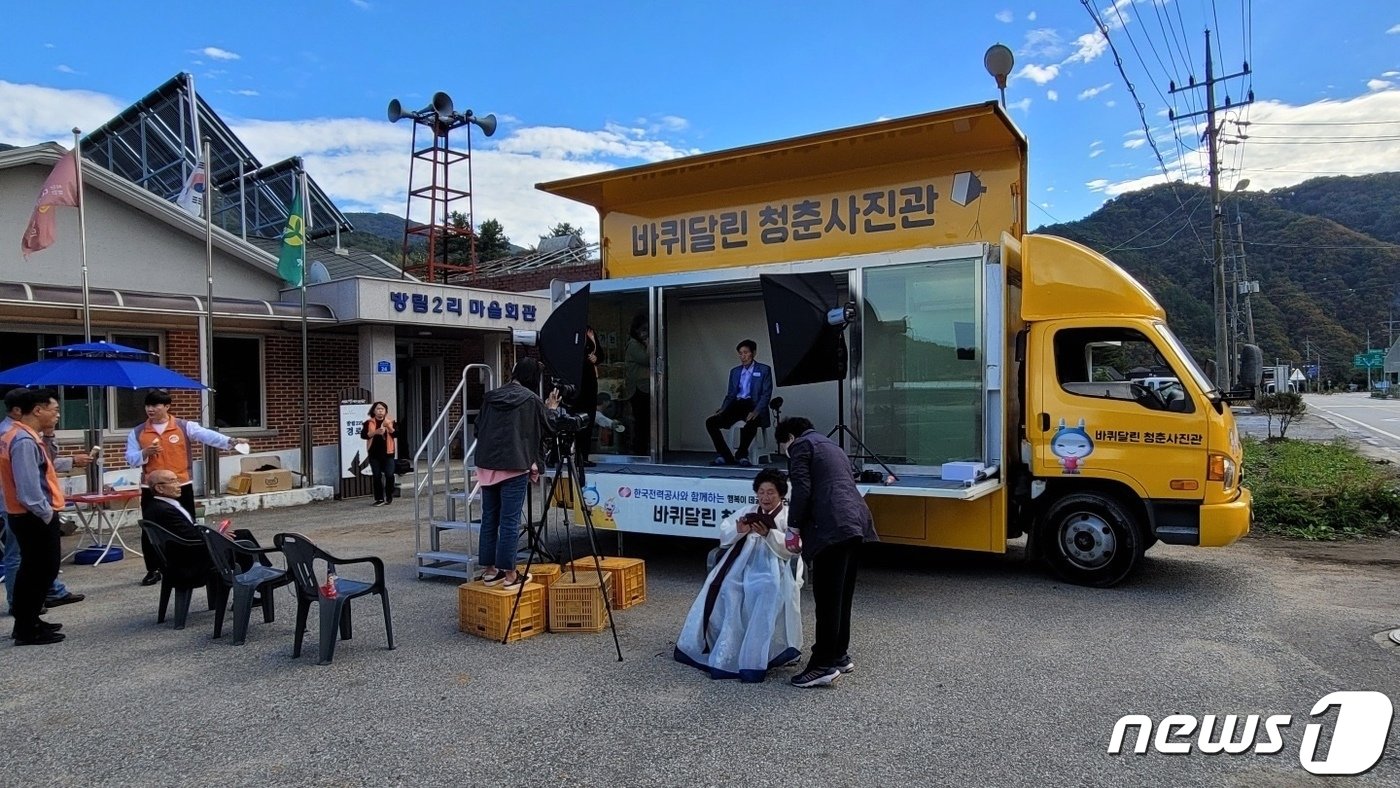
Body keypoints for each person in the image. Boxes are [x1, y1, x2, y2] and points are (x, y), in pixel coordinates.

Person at [775, 416, 877, 688]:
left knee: (827, 597)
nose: (785, 451)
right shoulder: (831, 445)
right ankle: (840, 655)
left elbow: (803, 489)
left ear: (789, 437)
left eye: (782, 445)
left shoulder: (801, 447)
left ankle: (822, 665)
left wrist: (793, 527)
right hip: (855, 522)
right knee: (842, 595)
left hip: (830, 527)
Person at [674, 468, 803, 682]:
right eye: (761, 492)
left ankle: (755, 658)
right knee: (728, 588)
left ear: (780, 494)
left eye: (770, 492)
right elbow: (725, 535)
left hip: (773, 567)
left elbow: (794, 547)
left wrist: (768, 534)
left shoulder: (788, 516)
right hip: (740, 564)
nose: (765, 497)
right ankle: (728, 649)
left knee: (765, 590)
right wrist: (740, 530)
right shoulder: (748, 509)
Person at [126, 388, 247, 586]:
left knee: (186, 525)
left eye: (155, 405)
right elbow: (130, 459)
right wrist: (145, 452)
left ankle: (188, 562)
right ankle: (153, 569)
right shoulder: (138, 431)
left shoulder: (183, 426)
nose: (151, 409)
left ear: (167, 406)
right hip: (152, 487)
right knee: (151, 529)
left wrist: (230, 442)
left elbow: (207, 436)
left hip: (181, 484)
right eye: (148, 405)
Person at [472, 358, 560, 590]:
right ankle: (511, 575)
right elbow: (549, 428)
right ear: (534, 378)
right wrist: (551, 409)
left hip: (487, 466)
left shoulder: (491, 397)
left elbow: (477, 428)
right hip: (515, 465)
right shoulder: (531, 400)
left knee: (489, 519)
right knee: (509, 521)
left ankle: (490, 572)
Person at [1, 389, 86, 616]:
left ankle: (42, 599)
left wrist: (48, 435)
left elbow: (44, 463)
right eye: (54, 410)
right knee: (23, 561)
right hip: (27, 510)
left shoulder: (26, 434)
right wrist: (47, 514)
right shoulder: (18, 437)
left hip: (28, 508)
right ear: (30, 410)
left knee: (39, 565)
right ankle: (22, 609)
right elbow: (28, 483)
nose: (57, 415)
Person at [143, 469, 262, 574]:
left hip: (188, 553)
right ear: (159, 488)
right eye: (173, 481)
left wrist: (216, 534)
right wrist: (216, 537)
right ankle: (263, 579)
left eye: (178, 480)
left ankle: (257, 581)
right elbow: (189, 536)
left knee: (240, 535)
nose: (178, 485)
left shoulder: (160, 506)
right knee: (243, 540)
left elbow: (188, 532)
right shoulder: (163, 509)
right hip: (192, 560)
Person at [705, 339, 773, 467]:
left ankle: (742, 455)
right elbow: (731, 394)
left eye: (746, 353)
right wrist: (723, 408)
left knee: (752, 422)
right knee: (711, 422)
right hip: (737, 404)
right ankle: (725, 455)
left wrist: (756, 411)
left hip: (753, 405)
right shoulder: (735, 371)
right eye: (740, 353)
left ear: (753, 353)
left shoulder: (764, 370)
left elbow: (766, 394)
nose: (743, 356)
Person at [623, 314, 650, 455]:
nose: (644, 333)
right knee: (641, 421)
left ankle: (642, 448)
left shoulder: (637, 343)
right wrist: (648, 343)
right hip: (638, 389)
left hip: (643, 387)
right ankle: (639, 450)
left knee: (644, 421)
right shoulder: (634, 344)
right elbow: (646, 359)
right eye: (642, 330)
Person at [361, 401, 397, 506]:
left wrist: (389, 427)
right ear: (374, 411)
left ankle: (389, 494)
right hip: (374, 453)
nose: (380, 411)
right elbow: (364, 435)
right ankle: (379, 498)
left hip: (388, 453)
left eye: (382, 409)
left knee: (389, 475)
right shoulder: (369, 422)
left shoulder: (391, 421)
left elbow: (396, 434)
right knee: (376, 476)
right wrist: (375, 432)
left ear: (385, 411)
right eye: (378, 409)